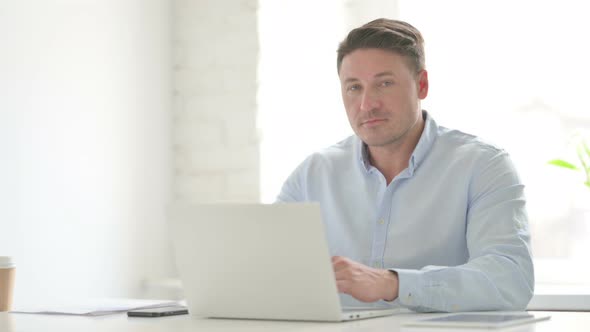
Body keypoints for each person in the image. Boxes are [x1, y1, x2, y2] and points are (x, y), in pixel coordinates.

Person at [277, 18, 534, 312]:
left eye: (384, 83)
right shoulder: (313, 174)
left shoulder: (483, 165)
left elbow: (511, 280)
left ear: (421, 85)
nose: (366, 104)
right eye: (354, 88)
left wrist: (393, 284)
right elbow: (263, 266)